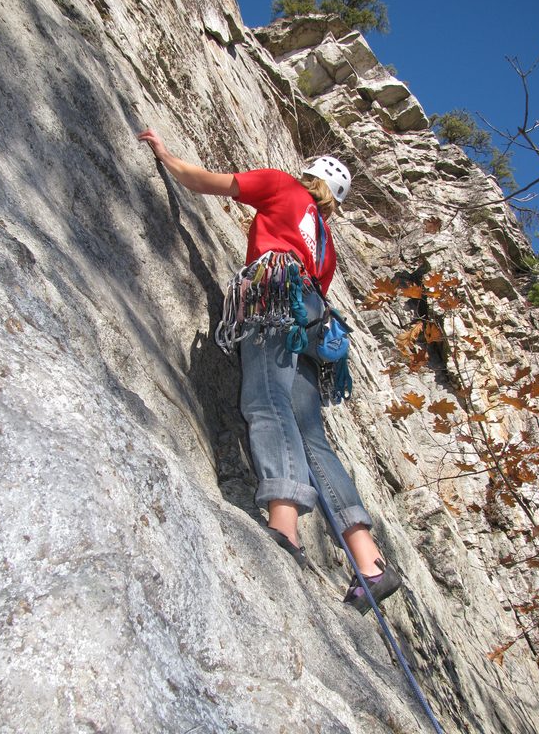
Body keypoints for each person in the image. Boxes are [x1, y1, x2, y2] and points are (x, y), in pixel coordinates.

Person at [137, 129, 401, 614]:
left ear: (309, 178)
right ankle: (370, 561)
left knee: (265, 401)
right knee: (311, 433)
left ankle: (284, 524)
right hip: (312, 324)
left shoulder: (283, 187)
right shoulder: (324, 243)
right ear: (334, 202)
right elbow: (316, 288)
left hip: (275, 299)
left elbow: (208, 182)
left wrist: (166, 155)